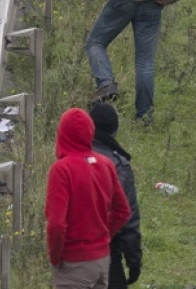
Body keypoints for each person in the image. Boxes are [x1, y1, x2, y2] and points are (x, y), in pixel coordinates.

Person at [46, 107, 131, 289]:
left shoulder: (61, 169)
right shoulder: (106, 164)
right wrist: (102, 238)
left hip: (73, 262)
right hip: (101, 259)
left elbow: (56, 224)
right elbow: (122, 211)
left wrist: (55, 257)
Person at [88, 103, 142, 288]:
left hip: (71, 257)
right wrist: (134, 260)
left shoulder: (69, 161)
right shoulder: (119, 166)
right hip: (108, 254)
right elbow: (128, 218)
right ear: (114, 130)